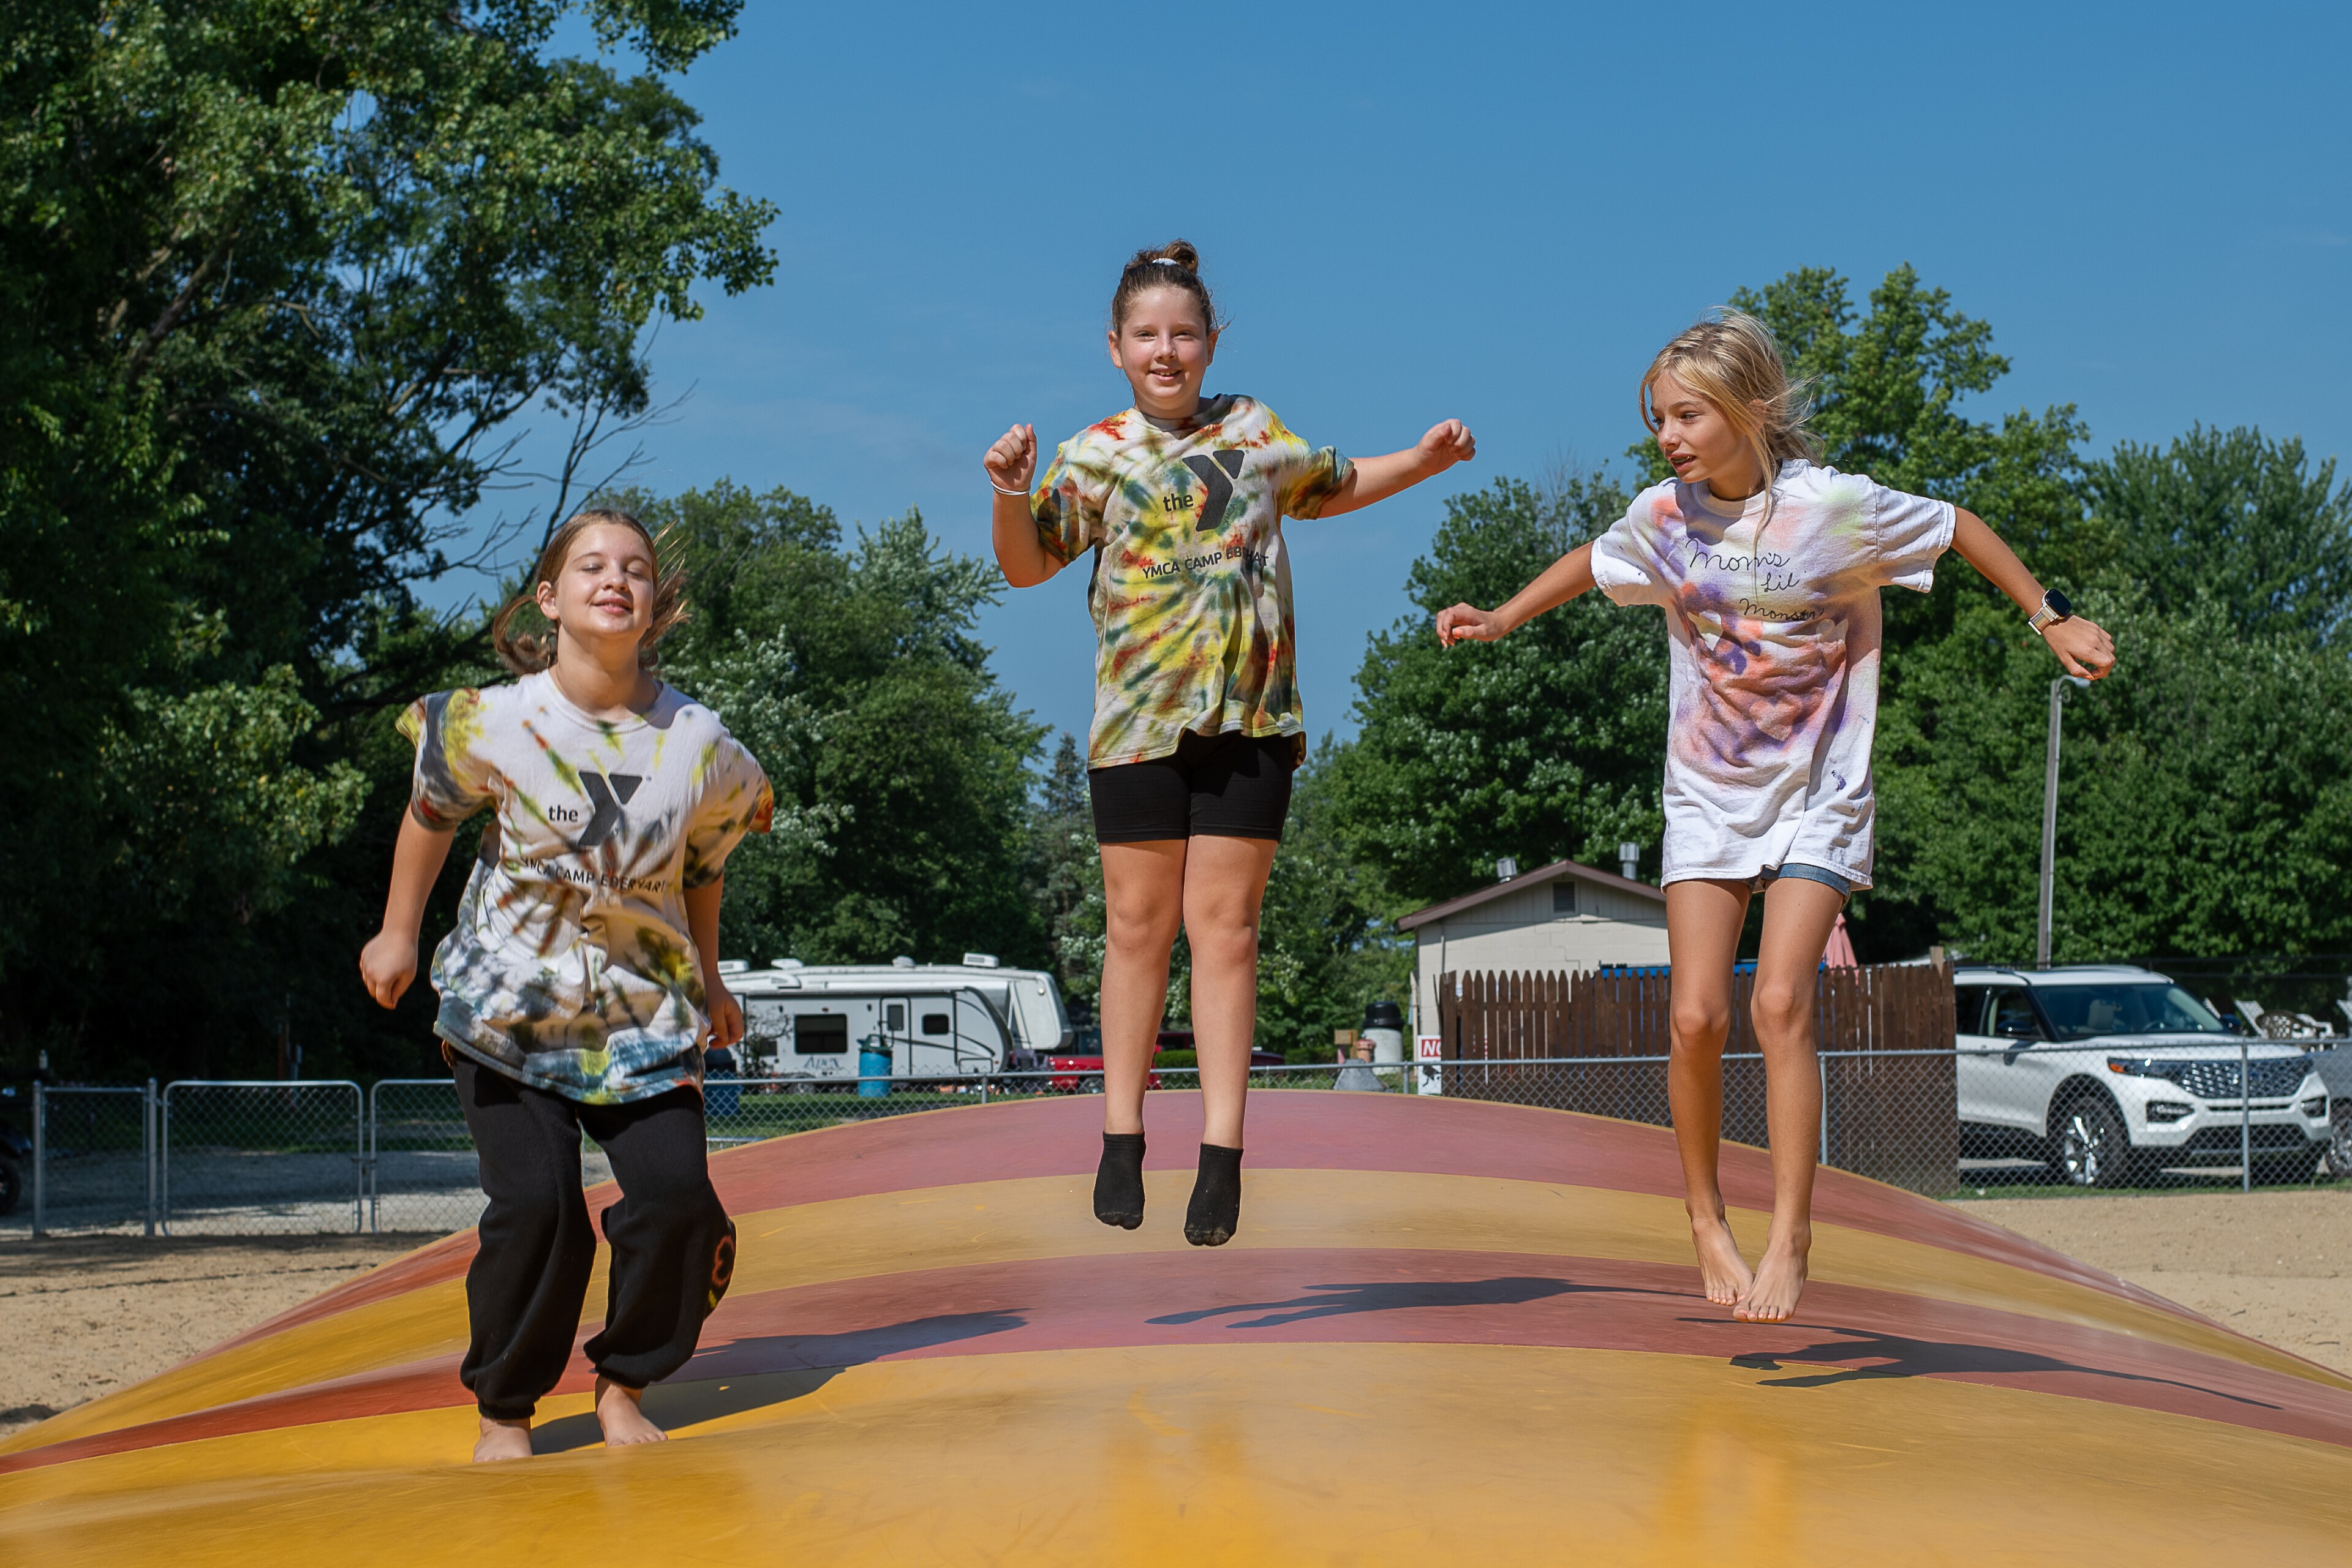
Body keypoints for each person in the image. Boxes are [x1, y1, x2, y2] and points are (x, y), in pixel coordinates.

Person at [1433, 312, 2114, 1321]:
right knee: (1697, 1017)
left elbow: (1956, 526)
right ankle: (1706, 1219)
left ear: (1750, 410)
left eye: (1688, 415)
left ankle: (1792, 1230)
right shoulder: (1666, 516)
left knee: (1780, 1005)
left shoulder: (1835, 509)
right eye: (1658, 419)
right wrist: (1499, 617)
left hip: (1821, 793)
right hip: (1708, 793)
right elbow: (1595, 558)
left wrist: (2047, 614)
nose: (1669, 435)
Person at [986, 241, 1474, 1245]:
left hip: (1252, 719)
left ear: (1211, 341)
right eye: (1146, 336)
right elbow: (1027, 567)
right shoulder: (1095, 453)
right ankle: (1122, 1134)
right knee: (1136, 929)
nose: (1167, 351)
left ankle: (1221, 1152)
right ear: (1116, 347)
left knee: (1228, 931)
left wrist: (1423, 461)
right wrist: (1007, 490)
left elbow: (1330, 483)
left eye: (1184, 334)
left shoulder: (1254, 431)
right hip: (1136, 724)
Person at [358, 508, 773, 1461]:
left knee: (676, 1203)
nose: (614, 580)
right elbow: (430, 814)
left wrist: (711, 980)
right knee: (541, 1209)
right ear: (550, 598)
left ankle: (626, 1383)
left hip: (644, 1014)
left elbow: (705, 863)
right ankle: (506, 1408)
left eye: (634, 569)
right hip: (509, 1008)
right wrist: (395, 932)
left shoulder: (698, 742)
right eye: (591, 566)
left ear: (656, 607)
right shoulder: (497, 721)